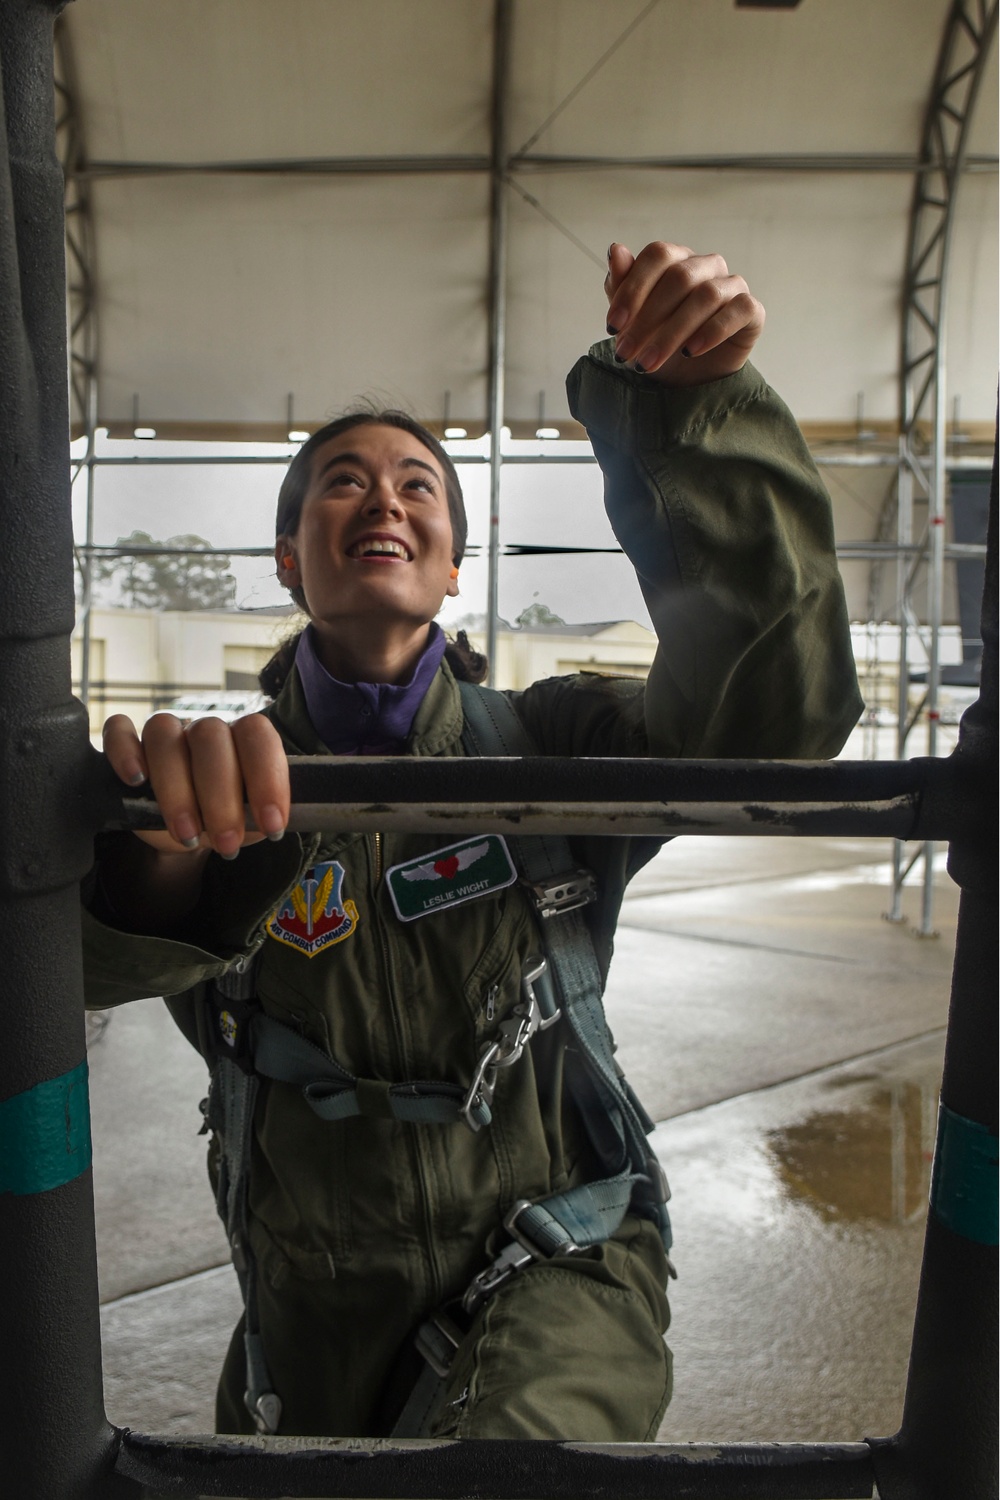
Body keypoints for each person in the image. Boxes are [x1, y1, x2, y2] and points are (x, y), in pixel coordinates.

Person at [84, 239, 863, 1440]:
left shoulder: (553, 746)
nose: (383, 498)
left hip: (556, 1257)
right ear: (291, 560)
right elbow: (75, 965)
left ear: (448, 568)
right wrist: (154, 849)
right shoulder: (219, 783)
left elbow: (771, 720)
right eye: (341, 481)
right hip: (306, 1306)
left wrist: (692, 413)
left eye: (417, 487)